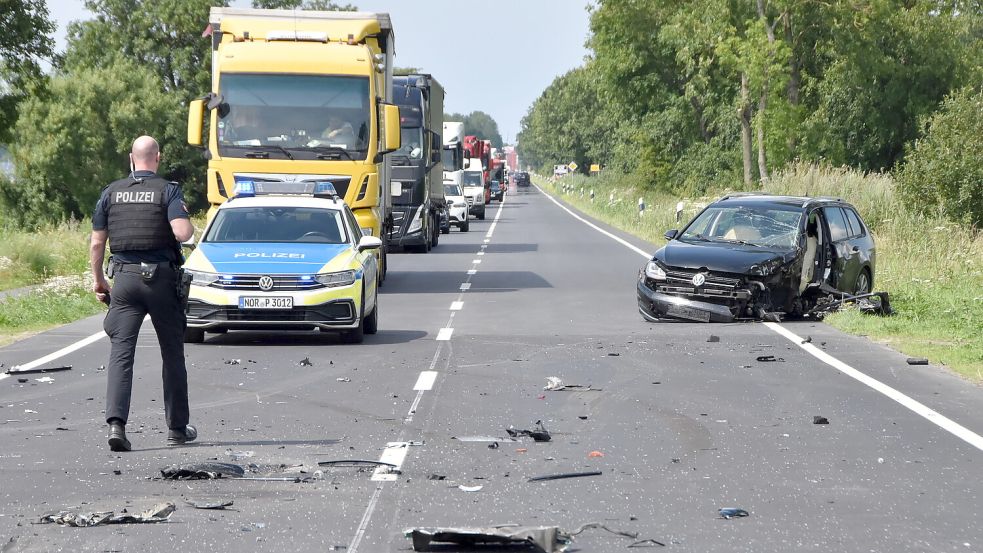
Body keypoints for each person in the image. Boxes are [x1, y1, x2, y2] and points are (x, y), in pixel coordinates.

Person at [90, 135, 197, 452]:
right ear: (158, 158)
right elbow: (183, 233)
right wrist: (186, 222)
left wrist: (99, 281)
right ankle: (177, 429)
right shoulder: (168, 190)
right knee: (172, 353)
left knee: (121, 354)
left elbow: (97, 243)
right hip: (162, 280)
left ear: (130, 158)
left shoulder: (111, 193)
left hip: (124, 280)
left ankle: (116, 426)